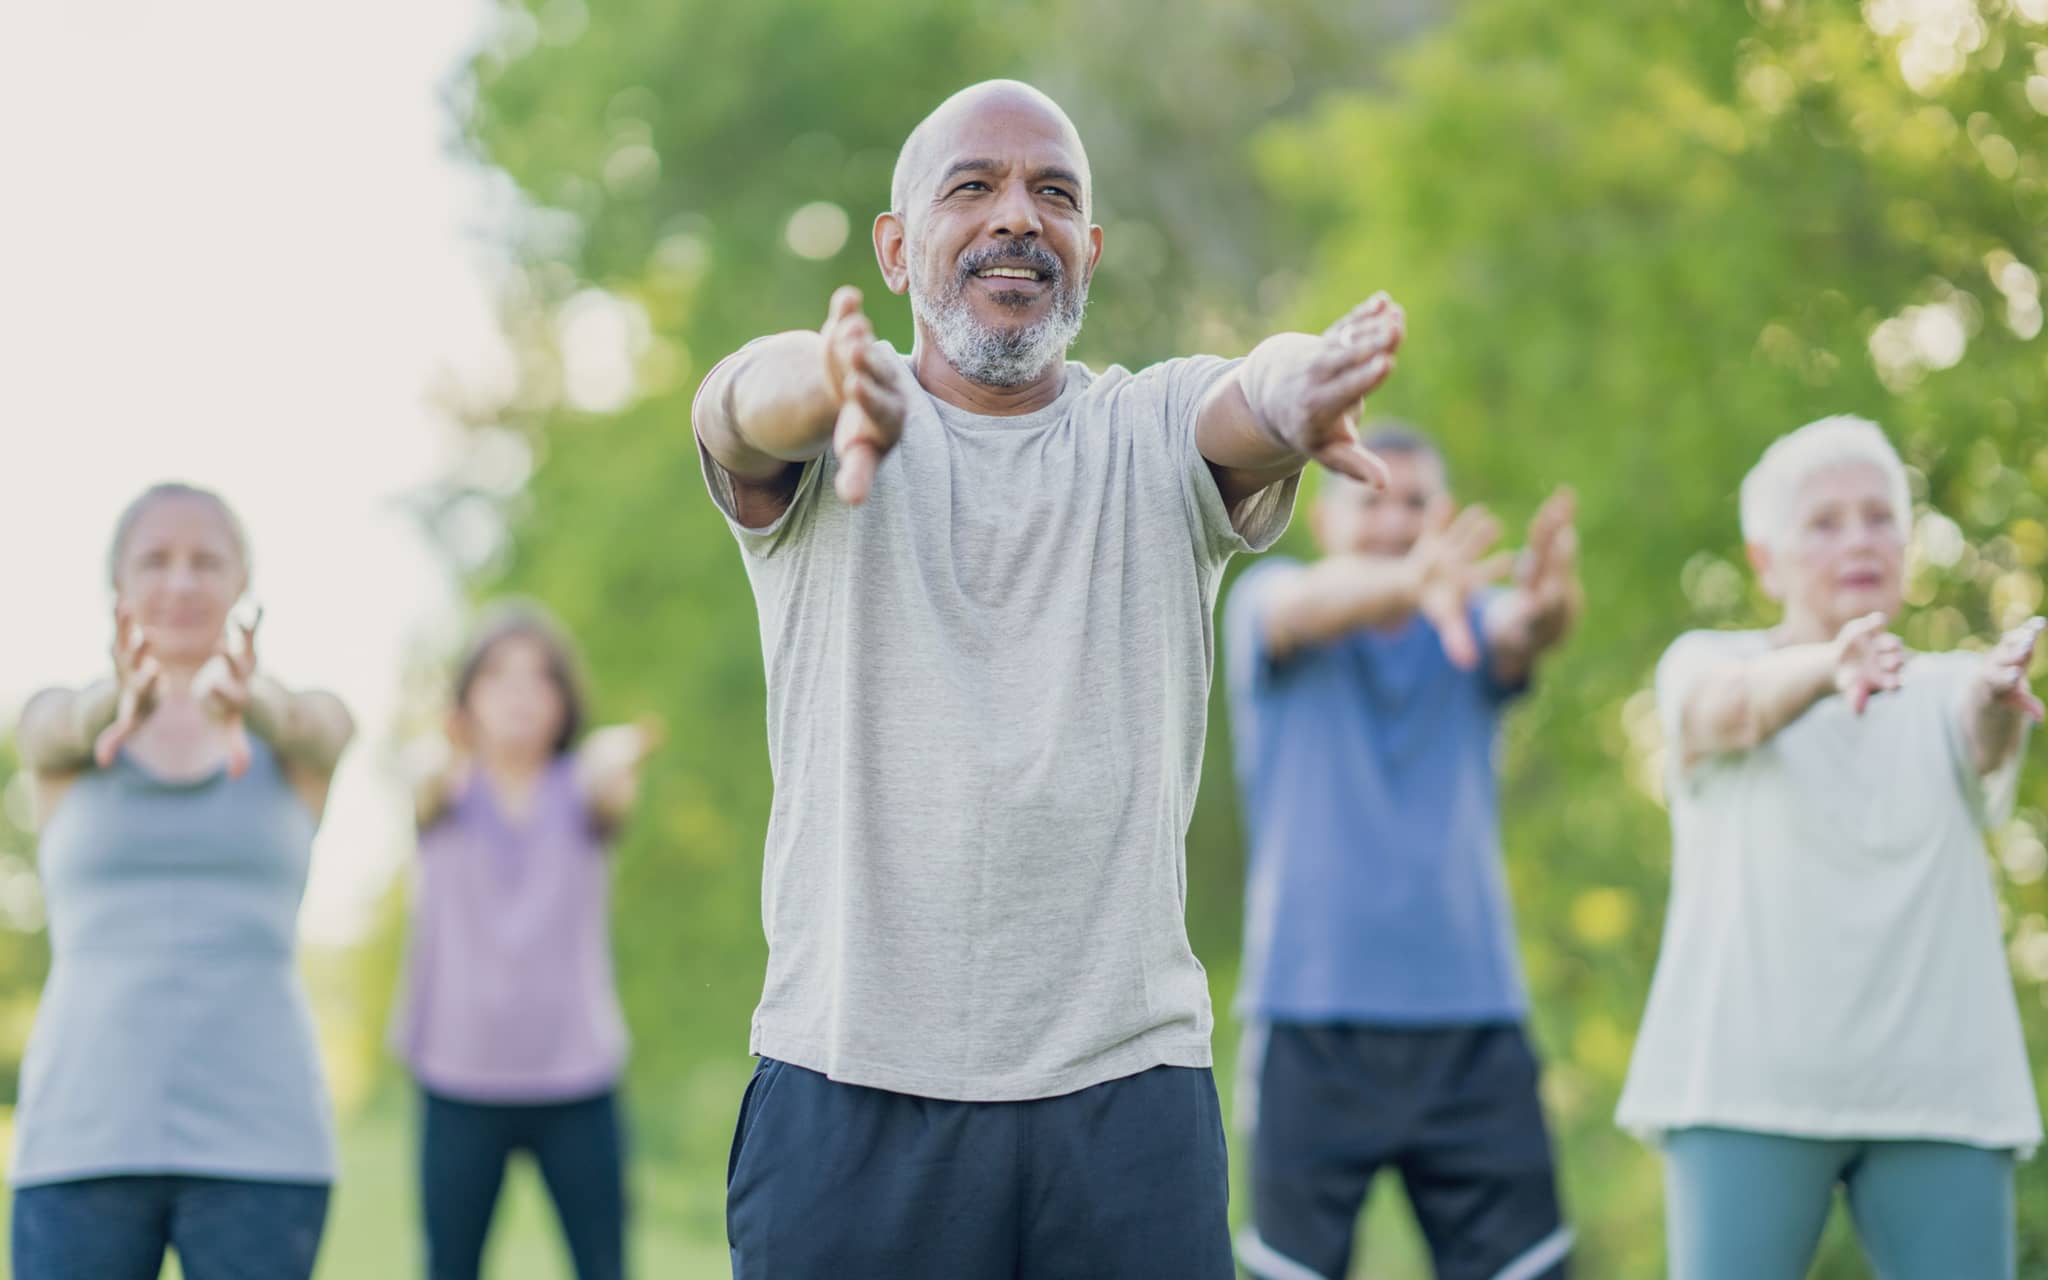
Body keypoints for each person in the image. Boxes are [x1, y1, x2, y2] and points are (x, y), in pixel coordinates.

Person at [693, 78, 1406, 1278]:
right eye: (972, 187)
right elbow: (739, 404)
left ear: (1089, 250)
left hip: (1125, 1101)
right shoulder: (824, 437)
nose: (1017, 215)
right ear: (895, 247)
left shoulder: (1147, 429)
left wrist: (1300, 384)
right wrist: (827, 383)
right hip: (848, 1088)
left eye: (1054, 194)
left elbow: (1250, 390)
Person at [1616, 415, 2043, 1279]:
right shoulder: (1704, 662)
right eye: (1824, 522)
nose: (1859, 540)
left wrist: (1997, 694)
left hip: (1941, 1092)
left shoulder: (1948, 687)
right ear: (1765, 561)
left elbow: (1983, 737)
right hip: (1744, 1090)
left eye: (1880, 516)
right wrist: (1827, 669)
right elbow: (1730, 712)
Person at [1223, 425, 1581, 1280]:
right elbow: (1306, 610)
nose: (1393, 522)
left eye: (1414, 503)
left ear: (1442, 515)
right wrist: (1413, 583)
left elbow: (1526, 628)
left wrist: (1551, 602)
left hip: (1473, 1026)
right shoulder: (1271, 599)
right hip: (1310, 1024)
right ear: (1324, 518)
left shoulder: (1469, 623)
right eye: (1370, 501)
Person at [8, 481, 355, 1280]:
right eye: (155, 560)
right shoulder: (66, 728)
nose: (181, 581)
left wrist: (251, 703)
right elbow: (53, 727)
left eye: (206, 561)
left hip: (265, 1146)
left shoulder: (296, 731)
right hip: (79, 1141)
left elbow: (318, 726)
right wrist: (115, 704)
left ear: (242, 583)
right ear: (118, 585)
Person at [395, 602, 659, 1280]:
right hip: (458, 1074)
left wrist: (617, 756)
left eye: (539, 677)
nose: (519, 694)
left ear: (563, 700)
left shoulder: (584, 790)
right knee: (449, 1266)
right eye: (498, 676)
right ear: (467, 699)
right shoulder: (443, 789)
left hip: (575, 1075)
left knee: (605, 1266)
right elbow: (423, 778)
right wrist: (445, 752)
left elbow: (611, 786)